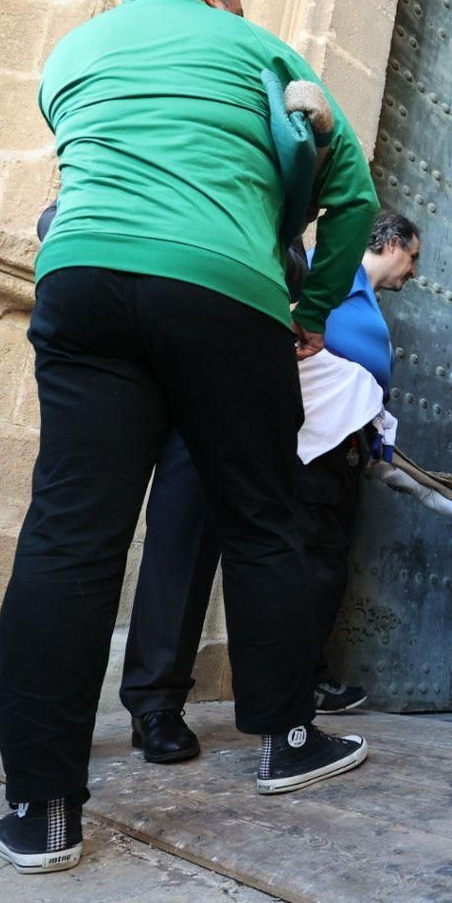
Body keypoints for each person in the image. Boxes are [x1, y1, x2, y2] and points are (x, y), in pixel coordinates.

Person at [0, 0, 379, 874]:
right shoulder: (257, 50)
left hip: (82, 275)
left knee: (68, 530)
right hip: (225, 291)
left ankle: (42, 805)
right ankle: (289, 741)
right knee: (263, 518)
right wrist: (315, 308)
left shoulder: (72, 52)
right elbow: (353, 197)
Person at [114, 211, 421, 764]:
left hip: (270, 418)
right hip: (195, 387)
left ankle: (284, 726)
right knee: (180, 548)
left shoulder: (296, 248)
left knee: (272, 559)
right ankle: (155, 706)